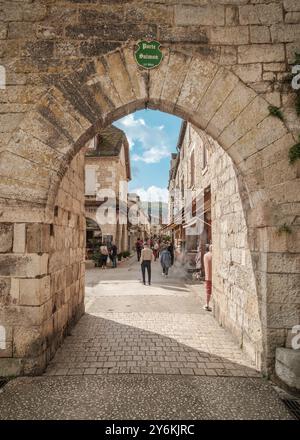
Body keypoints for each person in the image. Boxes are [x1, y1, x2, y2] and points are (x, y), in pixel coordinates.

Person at [203, 244, 212, 311]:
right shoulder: (214, 255)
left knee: (208, 291)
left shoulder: (206, 255)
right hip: (214, 277)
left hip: (208, 276)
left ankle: (207, 304)